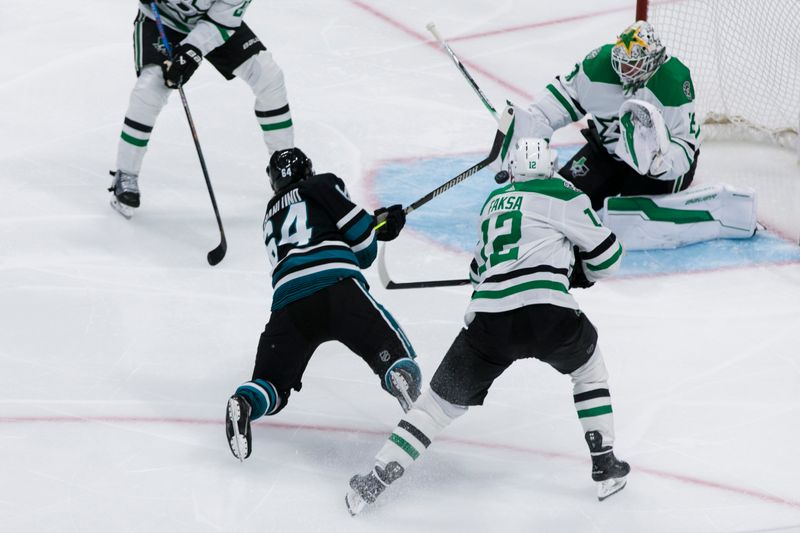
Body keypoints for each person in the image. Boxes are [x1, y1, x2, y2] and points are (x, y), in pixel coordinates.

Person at [345, 138, 629, 515]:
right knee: (588, 371)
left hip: (490, 321)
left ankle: (375, 480)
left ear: (511, 170)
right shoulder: (563, 192)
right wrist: (578, 273)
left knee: (435, 407)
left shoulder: (491, 205)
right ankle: (604, 463)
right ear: (548, 165)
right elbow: (608, 258)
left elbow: (478, 272)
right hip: (550, 314)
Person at [225, 147, 422, 461]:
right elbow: (361, 245)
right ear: (308, 170)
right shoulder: (321, 184)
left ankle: (247, 402)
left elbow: (315, 234)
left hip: (289, 304)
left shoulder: (270, 214)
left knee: (272, 381)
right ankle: (397, 374)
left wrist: (379, 224)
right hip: (336, 289)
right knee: (385, 345)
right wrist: (381, 229)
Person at [505, 20, 756, 250]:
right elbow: (555, 104)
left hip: (656, 167)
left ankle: (709, 214)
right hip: (608, 153)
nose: (625, 70)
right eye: (622, 62)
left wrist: (659, 164)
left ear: (652, 59)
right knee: (560, 200)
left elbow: (685, 147)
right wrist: (530, 136)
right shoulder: (597, 66)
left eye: (633, 64)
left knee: (627, 218)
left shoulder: (673, 82)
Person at [109, 0, 294, 218]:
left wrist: (192, 50)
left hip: (209, 22)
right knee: (151, 86)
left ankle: (285, 166)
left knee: (268, 76)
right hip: (161, 18)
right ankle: (126, 173)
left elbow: (223, 20)